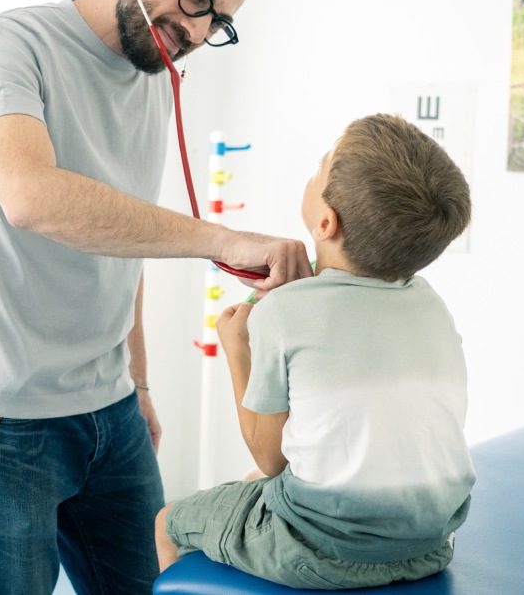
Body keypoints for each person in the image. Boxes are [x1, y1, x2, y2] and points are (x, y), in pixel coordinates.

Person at [0, 0, 312, 595]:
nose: (195, 29)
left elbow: (120, 237)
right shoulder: (9, 44)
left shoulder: (158, 79)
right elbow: (32, 198)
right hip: (1, 419)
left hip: (110, 411)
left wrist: (137, 384)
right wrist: (224, 239)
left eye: (215, 20)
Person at [156, 113, 476, 590]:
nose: (314, 170)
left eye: (320, 166)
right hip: (429, 544)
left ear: (325, 221)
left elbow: (271, 460)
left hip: (319, 551)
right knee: (250, 484)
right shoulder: (430, 303)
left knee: (167, 520)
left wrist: (237, 347)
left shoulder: (283, 313)